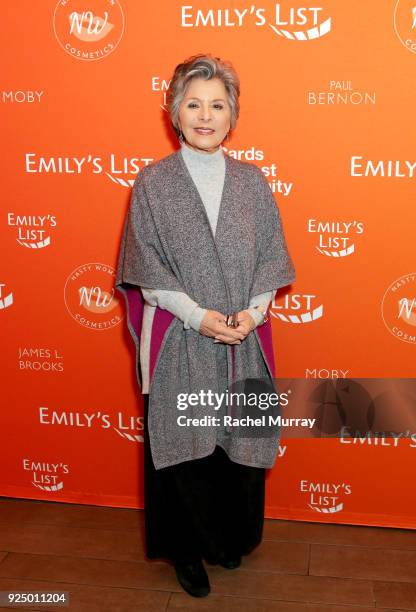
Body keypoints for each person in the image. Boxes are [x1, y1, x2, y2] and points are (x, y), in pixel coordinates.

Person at [116, 53, 296, 598]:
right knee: (185, 449)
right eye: (193, 103)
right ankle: (187, 551)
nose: (205, 115)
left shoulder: (252, 181)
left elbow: (271, 259)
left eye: (218, 104)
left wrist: (253, 313)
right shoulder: (152, 183)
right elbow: (146, 269)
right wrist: (199, 318)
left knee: (236, 447)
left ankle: (228, 540)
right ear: (175, 111)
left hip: (244, 336)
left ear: (232, 115)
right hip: (181, 338)